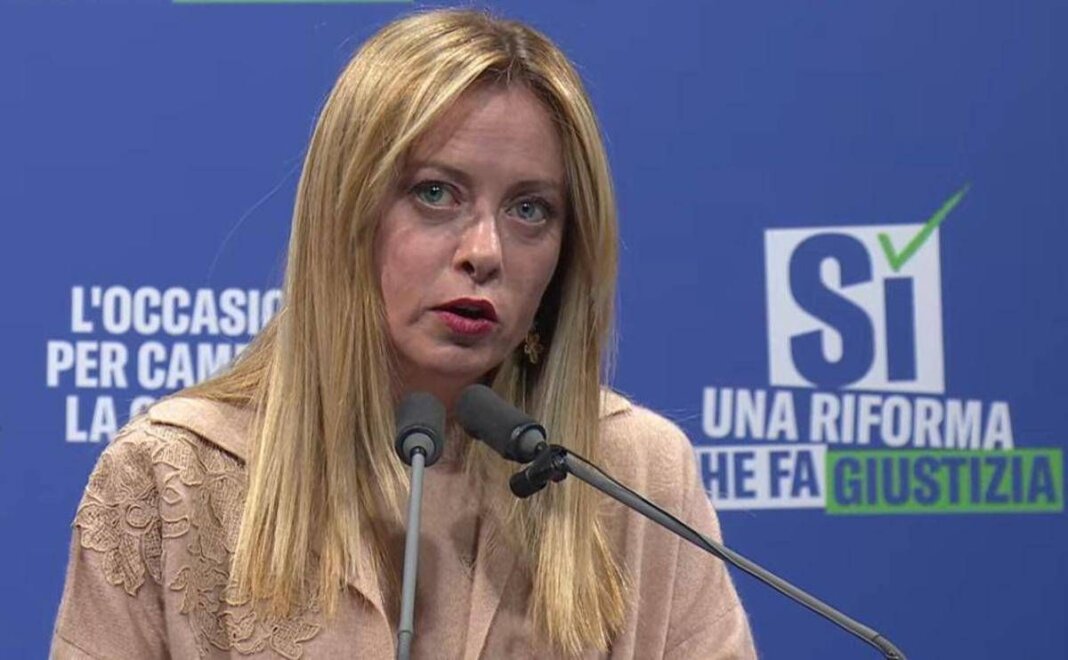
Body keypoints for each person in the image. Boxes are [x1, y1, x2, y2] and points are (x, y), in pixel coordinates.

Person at [51, 9, 756, 659]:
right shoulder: (170, 477)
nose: (485, 251)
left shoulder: (636, 476)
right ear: (344, 215)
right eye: (435, 193)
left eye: (530, 209)